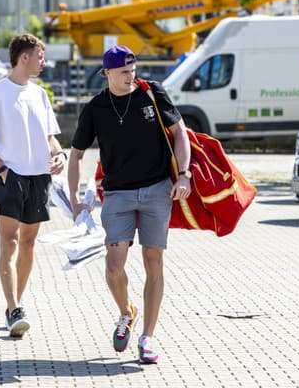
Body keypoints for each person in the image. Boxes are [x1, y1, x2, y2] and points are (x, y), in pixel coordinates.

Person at [67, 45, 191, 363]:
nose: (130, 76)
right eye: (123, 72)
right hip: (118, 194)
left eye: (133, 69)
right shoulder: (96, 108)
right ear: (106, 73)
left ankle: (147, 338)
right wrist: (75, 200)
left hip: (156, 191)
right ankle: (126, 313)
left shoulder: (152, 94)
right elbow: (76, 154)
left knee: (153, 262)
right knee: (114, 265)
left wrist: (184, 175)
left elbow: (180, 133)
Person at [0, 34, 66, 338]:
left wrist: (59, 155)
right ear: (24, 57)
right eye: (40, 56)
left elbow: (50, 137)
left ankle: (16, 305)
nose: (44, 62)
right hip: (10, 177)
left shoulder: (39, 94)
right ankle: (13, 308)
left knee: (28, 242)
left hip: (39, 177)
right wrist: (1, 169)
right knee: (9, 242)